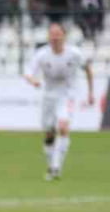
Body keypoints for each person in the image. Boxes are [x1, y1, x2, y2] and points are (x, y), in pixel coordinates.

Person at [24, 22, 94, 180]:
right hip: (49, 96)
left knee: (63, 126)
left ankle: (56, 167)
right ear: (49, 37)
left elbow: (88, 69)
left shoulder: (74, 53)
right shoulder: (42, 54)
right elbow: (28, 71)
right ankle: (51, 165)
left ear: (64, 36)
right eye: (52, 34)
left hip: (67, 95)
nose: (55, 37)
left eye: (58, 34)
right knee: (49, 134)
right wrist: (33, 80)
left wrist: (90, 93)